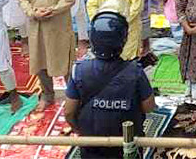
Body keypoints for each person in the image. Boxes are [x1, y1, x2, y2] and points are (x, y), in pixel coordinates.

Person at [63, 8, 155, 159]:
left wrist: (79, 130)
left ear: (93, 39)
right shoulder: (135, 72)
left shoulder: (79, 70)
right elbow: (148, 106)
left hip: (91, 145)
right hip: (126, 145)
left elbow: (68, 112)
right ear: (123, 40)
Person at [20, 0, 77, 111]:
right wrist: (32, 12)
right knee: (39, 61)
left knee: (65, 62)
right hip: (36, 25)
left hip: (58, 25)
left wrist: (50, 10)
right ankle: (47, 95)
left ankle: (73, 96)